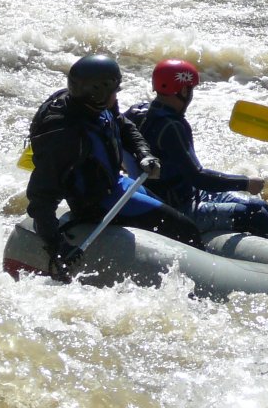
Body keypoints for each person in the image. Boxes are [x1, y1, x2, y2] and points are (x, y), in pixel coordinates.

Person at [25, 54, 204, 279]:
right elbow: (41, 199)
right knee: (185, 229)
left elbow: (121, 124)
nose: (116, 95)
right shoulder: (65, 138)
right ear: (97, 93)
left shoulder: (94, 105)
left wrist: (144, 154)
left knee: (174, 216)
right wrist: (57, 248)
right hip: (99, 203)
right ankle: (194, 280)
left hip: (118, 185)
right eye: (114, 91)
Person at [123, 59, 268, 243]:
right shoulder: (172, 127)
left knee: (260, 205)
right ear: (184, 91)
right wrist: (245, 183)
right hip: (180, 209)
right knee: (256, 214)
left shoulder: (136, 113)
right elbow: (199, 177)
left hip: (186, 194)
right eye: (190, 89)